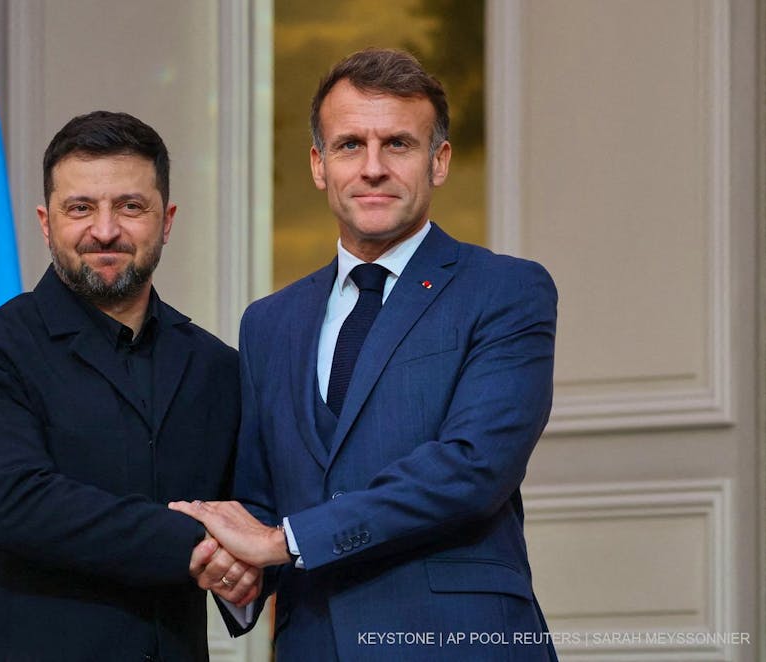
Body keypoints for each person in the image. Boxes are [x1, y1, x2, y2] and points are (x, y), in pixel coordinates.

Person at [171, 48, 559, 661]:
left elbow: (473, 467)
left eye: (398, 144)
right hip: (312, 642)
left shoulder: (506, 290)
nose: (372, 167)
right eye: (350, 145)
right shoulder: (268, 323)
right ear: (319, 165)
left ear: (440, 162)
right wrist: (241, 569)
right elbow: (264, 498)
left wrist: (287, 540)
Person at [0, 110, 258, 662]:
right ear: (46, 222)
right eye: (80, 208)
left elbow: (250, 507)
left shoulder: (217, 366)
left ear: (167, 219)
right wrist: (202, 546)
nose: (105, 230)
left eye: (130, 206)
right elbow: (18, 505)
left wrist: (255, 556)